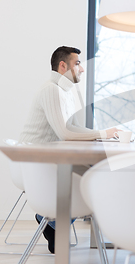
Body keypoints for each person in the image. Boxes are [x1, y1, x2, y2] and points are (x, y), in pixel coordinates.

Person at [19, 46, 120, 253]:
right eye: (77, 64)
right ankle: (53, 223)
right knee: (96, 175)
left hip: (50, 159)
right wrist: (102, 135)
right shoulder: (51, 90)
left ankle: (54, 224)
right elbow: (65, 133)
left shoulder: (65, 91)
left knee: (98, 172)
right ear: (63, 65)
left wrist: (103, 134)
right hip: (37, 165)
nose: (81, 69)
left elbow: (72, 127)